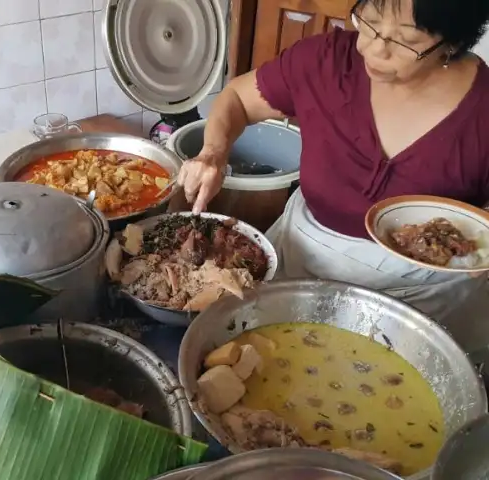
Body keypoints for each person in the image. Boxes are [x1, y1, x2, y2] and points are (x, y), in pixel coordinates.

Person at [177, 0, 489, 355]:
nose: (373, 48)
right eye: (369, 22)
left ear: (452, 43)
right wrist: (212, 154)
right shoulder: (326, 60)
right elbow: (238, 98)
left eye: (405, 40)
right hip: (302, 264)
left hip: (422, 303)